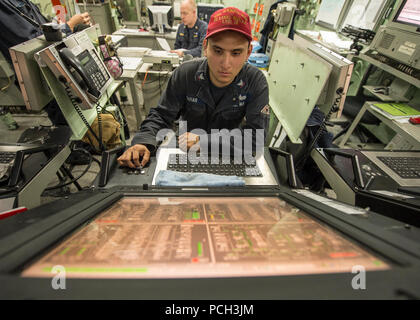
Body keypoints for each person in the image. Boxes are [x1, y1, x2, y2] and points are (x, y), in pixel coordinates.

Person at [118, 7, 270, 168]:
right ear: (205, 47)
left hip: (230, 156)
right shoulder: (186, 74)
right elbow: (161, 116)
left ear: (248, 52)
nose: (226, 64)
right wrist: (144, 141)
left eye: (236, 53)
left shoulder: (255, 81)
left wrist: (203, 141)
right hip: (186, 154)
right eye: (218, 51)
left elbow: (255, 139)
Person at [0, 0, 91, 130]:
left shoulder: (23, 2)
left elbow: (43, 27)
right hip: (39, 75)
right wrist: (68, 26)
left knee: (83, 118)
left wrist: (73, 26)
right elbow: (30, 41)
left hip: (55, 68)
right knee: (71, 125)